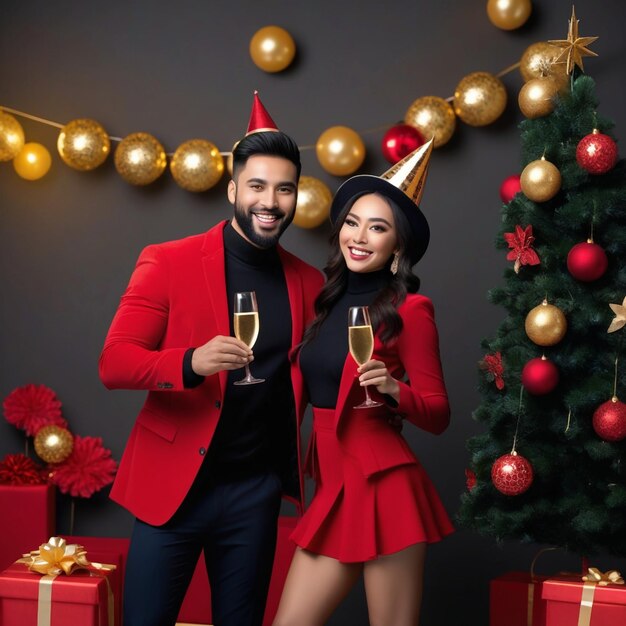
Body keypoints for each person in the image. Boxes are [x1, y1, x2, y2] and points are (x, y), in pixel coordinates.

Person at [99, 92, 323, 626]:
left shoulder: (310, 283)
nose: (270, 201)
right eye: (258, 186)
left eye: (284, 189)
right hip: (173, 491)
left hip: (254, 495)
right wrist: (190, 363)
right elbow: (114, 363)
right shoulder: (168, 260)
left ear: (296, 197)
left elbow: (325, 371)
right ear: (233, 190)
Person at [273, 139, 454, 626]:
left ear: (398, 246)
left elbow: (438, 414)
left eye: (378, 227)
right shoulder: (323, 304)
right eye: (353, 222)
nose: (360, 236)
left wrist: (396, 390)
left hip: (385, 484)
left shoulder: (412, 311)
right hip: (333, 485)